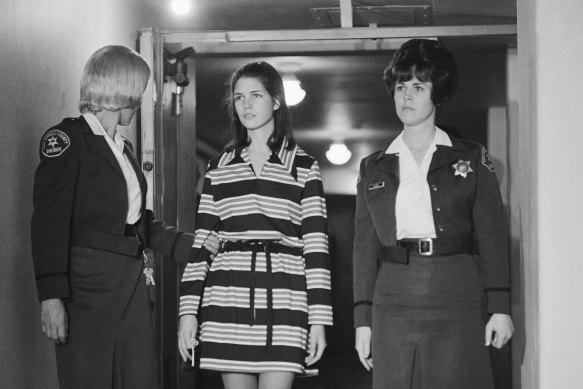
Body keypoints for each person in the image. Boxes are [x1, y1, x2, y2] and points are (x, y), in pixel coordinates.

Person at [31, 45, 219, 389]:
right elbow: (48, 224)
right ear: (123, 91)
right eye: (140, 92)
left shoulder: (123, 148)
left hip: (129, 282)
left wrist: (192, 247)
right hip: (84, 287)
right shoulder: (68, 141)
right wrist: (51, 297)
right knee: (88, 379)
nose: (143, 99)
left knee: (140, 379)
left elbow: (137, 224)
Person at [352, 39, 514, 388]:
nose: (406, 96)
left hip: (456, 289)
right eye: (400, 86)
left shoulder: (471, 158)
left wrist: (500, 306)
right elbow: (363, 250)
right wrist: (362, 319)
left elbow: (492, 234)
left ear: (437, 93)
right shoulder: (373, 168)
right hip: (392, 294)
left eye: (418, 87)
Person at [177, 61, 333, 389]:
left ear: (276, 101)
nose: (246, 105)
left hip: (286, 301)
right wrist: (187, 311)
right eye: (238, 97)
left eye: (256, 95)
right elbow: (202, 243)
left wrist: (318, 320)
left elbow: (317, 250)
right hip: (227, 299)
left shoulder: (304, 167)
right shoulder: (219, 167)